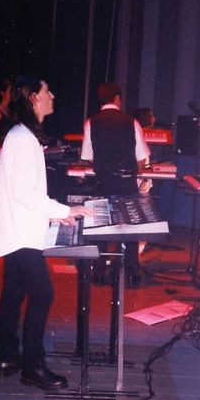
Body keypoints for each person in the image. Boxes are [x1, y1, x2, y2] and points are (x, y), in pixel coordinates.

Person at [0, 75, 94, 391]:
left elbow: (24, 192)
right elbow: (25, 193)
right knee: (42, 293)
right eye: (47, 91)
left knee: (13, 292)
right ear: (34, 97)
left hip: (18, 229)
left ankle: (7, 356)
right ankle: (33, 366)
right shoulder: (23, 139)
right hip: (22, 233)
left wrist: (54, 214)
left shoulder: (21, 135)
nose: (53, 96)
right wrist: (65, 211)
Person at [80, 83, 150, 286]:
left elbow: (88, 157)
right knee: (130, 228)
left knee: (101, 225)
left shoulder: (91, 122)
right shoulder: (131, 122)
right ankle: (131, 274)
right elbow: (141, 158)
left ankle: (99, 272)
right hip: (126, 181)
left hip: (103, 181)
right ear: (117, 99)